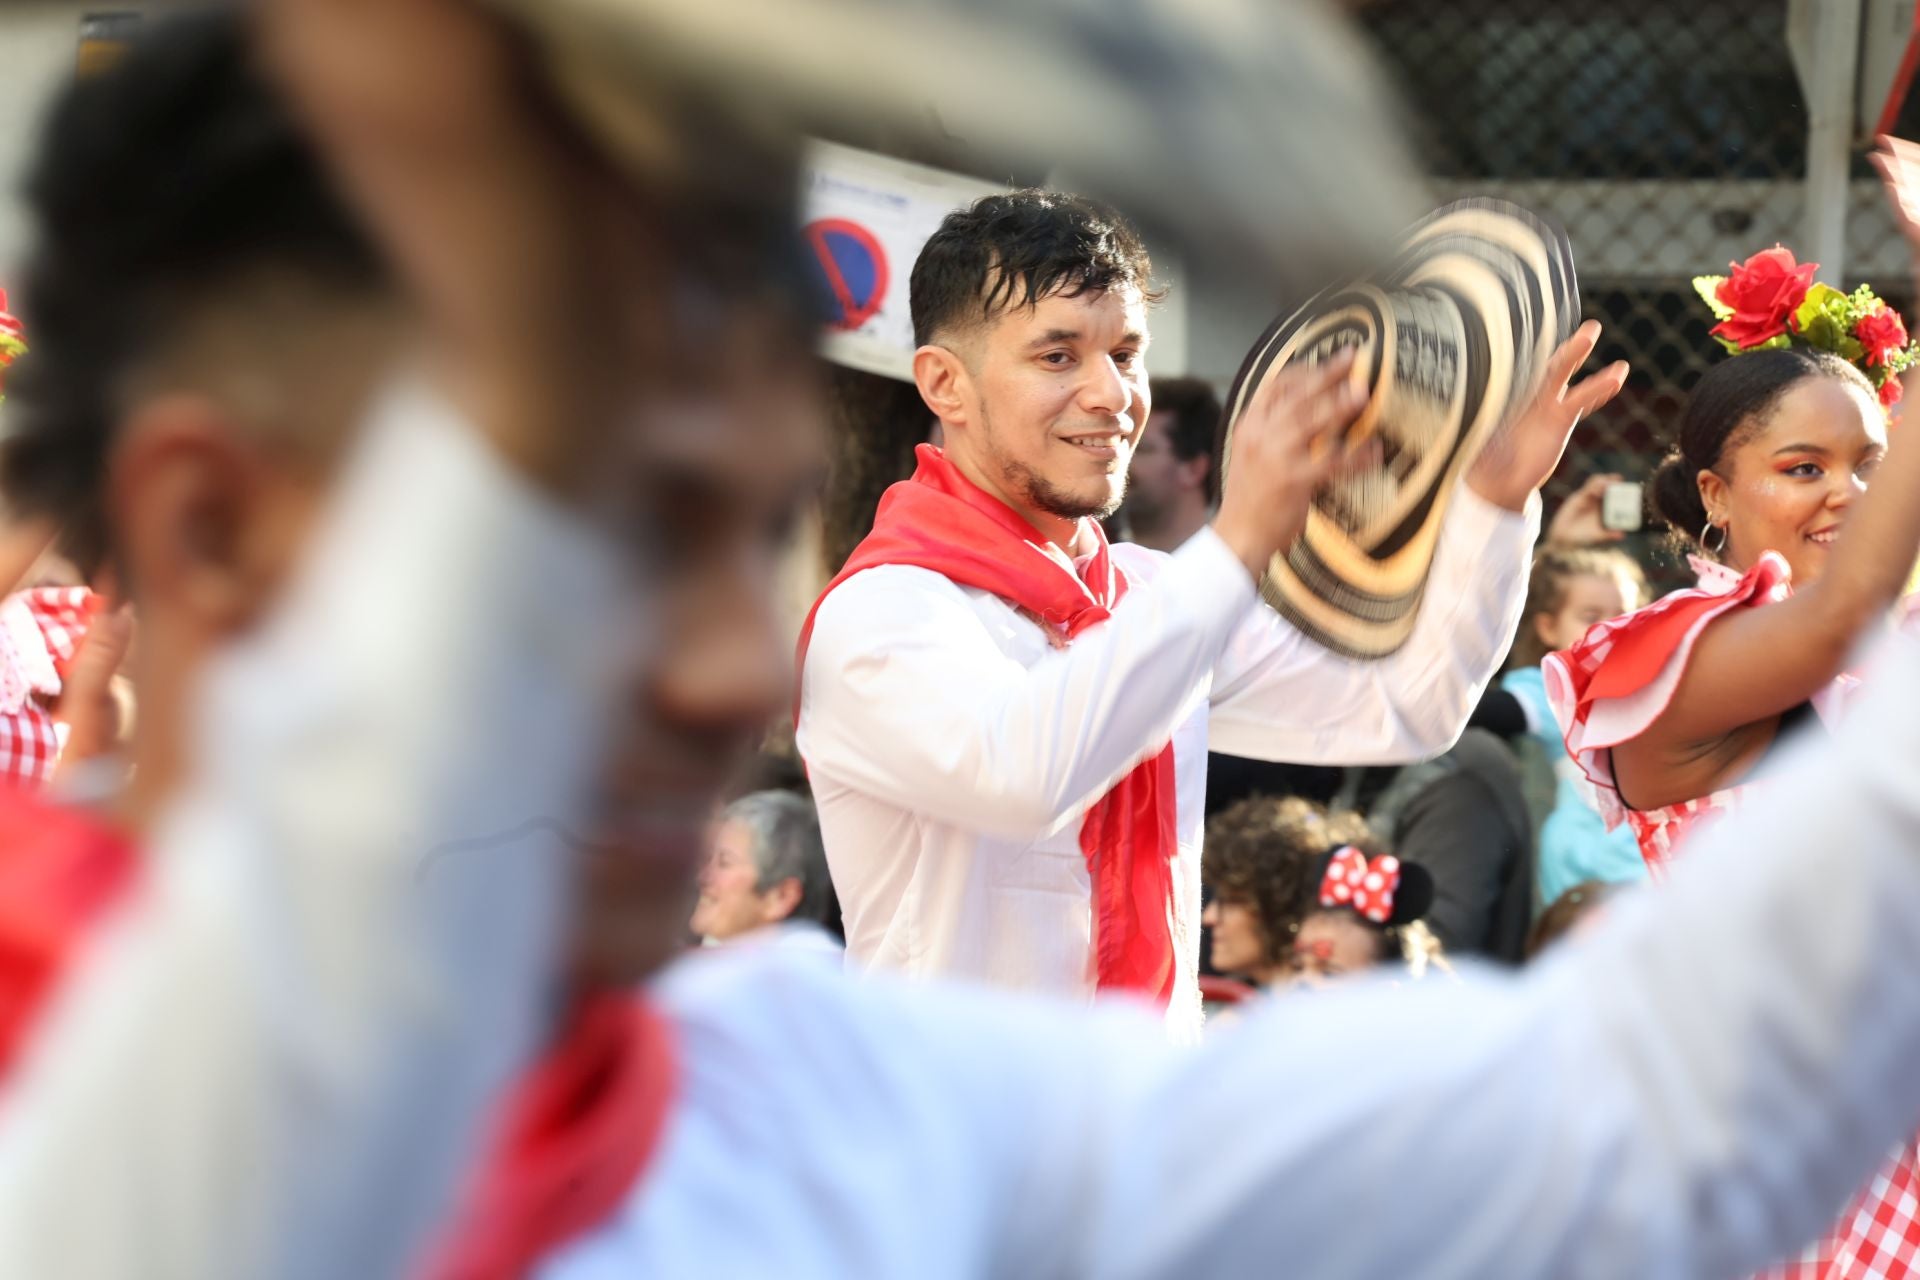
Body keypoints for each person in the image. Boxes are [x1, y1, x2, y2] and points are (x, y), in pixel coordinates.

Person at [18, 9, 1920, 1280]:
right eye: (604, 534)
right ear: (205, 529)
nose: (711, 669)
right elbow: (1031, 767)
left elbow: (1644, 1115)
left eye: (733, 540)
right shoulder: (896, 624)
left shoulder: (836, 1111)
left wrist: (1491, 507)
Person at [795, 189, 1624, 1034]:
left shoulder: (1150, 596)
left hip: (1151, 1130)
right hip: (956, 1152)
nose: (1110, 395)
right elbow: (1022, 775)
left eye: (1125, 353)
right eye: (1056, 357)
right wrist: (1238, 541)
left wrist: (1493, 500)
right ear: (946, 385)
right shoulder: (881, 609)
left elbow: (1405, 708)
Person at [1547, 200, 1920, 1278]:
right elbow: (1835, 617)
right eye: (1804, 468)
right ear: (1715, 494)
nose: (1848, 493)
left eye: (1871, 464)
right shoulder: (1666, 663)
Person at [1503, 546, 1649, 905]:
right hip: (1581, 857)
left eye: (1624, 616)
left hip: (1650, 849)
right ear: (1548, 627)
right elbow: (1489, 712)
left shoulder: (1656, 685)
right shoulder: (1551, 691)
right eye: (1591, 617)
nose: (1611, 630)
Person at [692, 790, 842, 948]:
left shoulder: (800, 967)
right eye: (708, 859)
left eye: (725, 863)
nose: (703, 877)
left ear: (781, 896)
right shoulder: (730, 958)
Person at [1117, 376, 1219, 552]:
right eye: (1120, 443)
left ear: (1194, 470)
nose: (1120, 458)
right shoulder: (1092, 568)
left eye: (1141, 449)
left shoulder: (1233, 573)